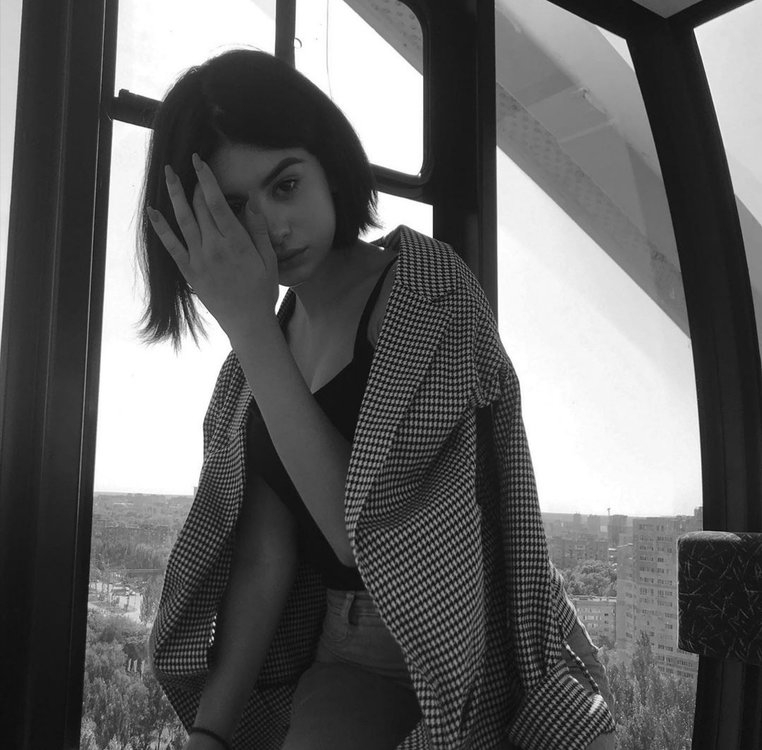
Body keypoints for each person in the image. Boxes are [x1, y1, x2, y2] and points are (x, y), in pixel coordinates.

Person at [142, 49, 615, 750]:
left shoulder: (429, 291)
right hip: (351, 648)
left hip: (487, 641)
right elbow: (265, 557)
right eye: (236, 208)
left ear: (329, 165)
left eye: (286, 184)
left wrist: (247, 326)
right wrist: (210, 732)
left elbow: (364, 529)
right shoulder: (256, 359)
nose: (274, 228)